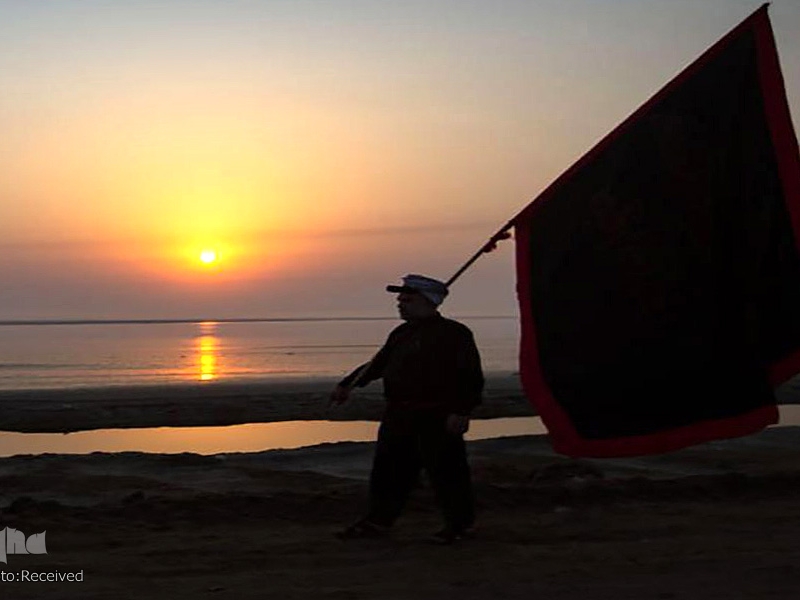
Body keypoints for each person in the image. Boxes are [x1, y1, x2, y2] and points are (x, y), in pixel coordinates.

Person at [330, 274, 484, 544]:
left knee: (447, 473)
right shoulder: (401, 333)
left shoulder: (454, 333)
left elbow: (469, 375)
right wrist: (348, 385)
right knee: (387, 472)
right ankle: (378, 522)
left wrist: (462, 410)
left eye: (407, 299)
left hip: (437, 415)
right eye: (400, 299)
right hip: (399, 414)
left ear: (428, 301)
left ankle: (460, 526)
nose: (400, 303)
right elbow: (377, 364)